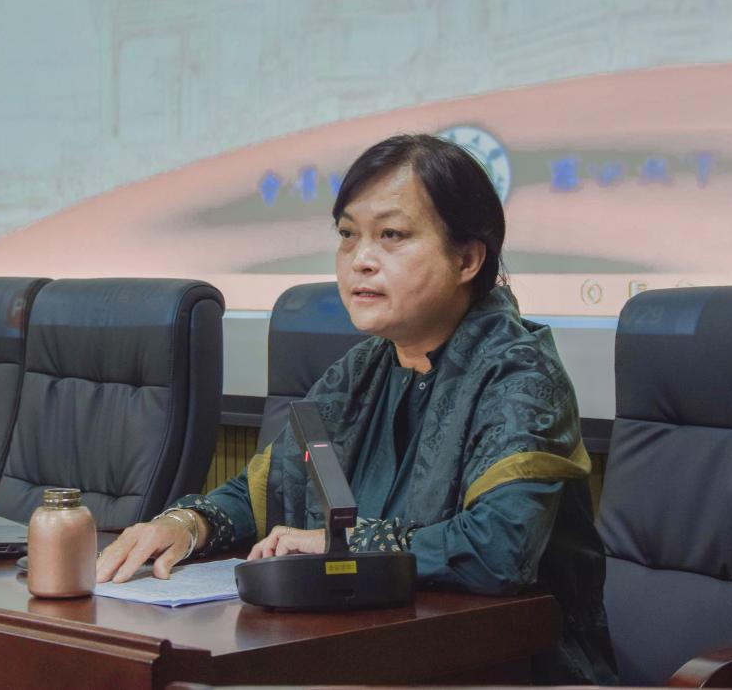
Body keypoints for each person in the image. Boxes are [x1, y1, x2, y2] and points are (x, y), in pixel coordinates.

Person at [96, 133, 618, 685]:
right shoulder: (361, 370)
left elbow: (498, 550)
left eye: (391, 235)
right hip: (363, 654)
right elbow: (266, 493)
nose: (359, 261)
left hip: (506, 668)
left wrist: (345, 547)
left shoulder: (519, 375)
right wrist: (187, 524)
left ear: (467, 258)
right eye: (348, 235)